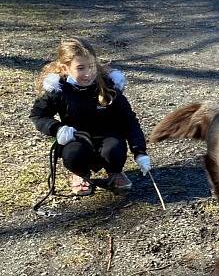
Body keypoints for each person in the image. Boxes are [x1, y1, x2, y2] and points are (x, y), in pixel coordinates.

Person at [30, 37, 151, 196]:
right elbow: (38, 115)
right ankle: (79, 174)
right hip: (77, 138)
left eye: (92, 66)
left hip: (108, 136)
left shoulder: (109, 87)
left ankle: (115, 172)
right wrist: (57, 129)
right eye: (80, 68)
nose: (88, 73)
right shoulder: (59, 90)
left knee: (114, 149)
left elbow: (129, 121)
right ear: (65, 68)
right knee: (73, 154)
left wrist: (140, 151)